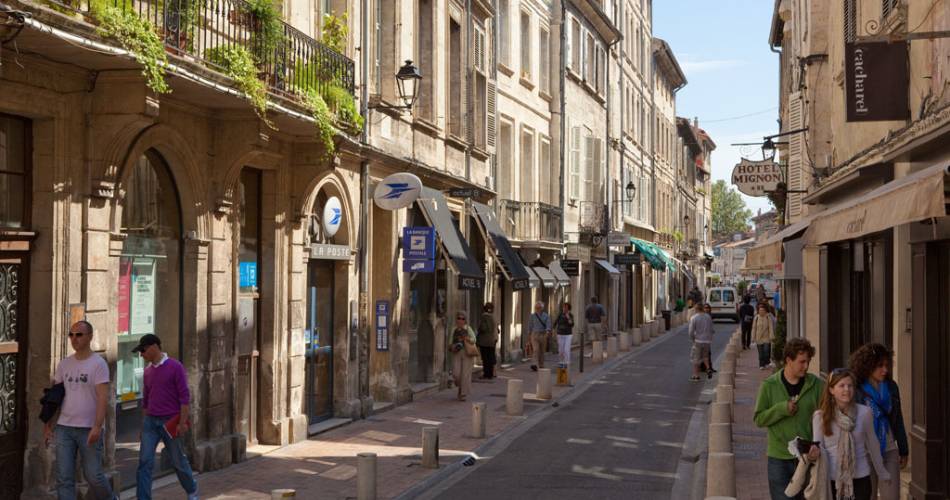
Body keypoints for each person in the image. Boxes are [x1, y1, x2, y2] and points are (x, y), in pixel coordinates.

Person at [45, 321, 116, 500]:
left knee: (93, 476)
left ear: (90, 337)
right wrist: (48, 424)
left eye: (79, 335)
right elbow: (54, 397)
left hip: (88, 428)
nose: (74, 338)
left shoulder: (98, 364)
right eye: (71, 335)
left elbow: (102, 398)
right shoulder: (64, 364)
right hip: (64, 428)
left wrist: (97, 426)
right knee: (64, 478)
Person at [753, 338, 824, 500]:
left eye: (808, 361)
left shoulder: (817, 385)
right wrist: (781, 409)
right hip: (779, 459)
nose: (806, 366)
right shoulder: (769, 385)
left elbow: (826, 417)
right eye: (802, 362)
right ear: (788, 360)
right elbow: (759, 419)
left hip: (808, 458)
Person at [133, 334, 199, 500]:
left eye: (143, 350)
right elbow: (146, 402)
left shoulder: (175, 367)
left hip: (170, 420)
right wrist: (143, 427)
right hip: (151, 423)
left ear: (154, 346)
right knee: (144, 462)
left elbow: (184, 397)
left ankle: (191, 490)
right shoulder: (147, 372)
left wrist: (182, 422)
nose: (141, 354)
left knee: (178, 461)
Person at [813, 369, 890, 500]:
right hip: (832, 480)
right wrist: (812, 453)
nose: (847, 389)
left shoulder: (865, 413)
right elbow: (818, 448)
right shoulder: (820, 416)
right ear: (831, 390)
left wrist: (882, 472)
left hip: (860, 478)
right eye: (841, 385)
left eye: (850, 385)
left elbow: (873, 445)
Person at [848, 343, 908, 500]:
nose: (885, 370)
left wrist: (903, 448)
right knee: (868, 496)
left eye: (886, 365)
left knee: (892, 496)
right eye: (880, 366)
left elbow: (898, 419)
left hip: (888, 449)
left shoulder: (891, 387)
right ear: (867, 366)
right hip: (864, 453)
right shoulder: (855, 388)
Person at [450, 312, 477, 400]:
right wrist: (452, 346)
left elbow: (474, 339)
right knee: (456, 373)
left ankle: (463, 394)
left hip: (467, 352)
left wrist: (467, 338)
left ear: (465, 320)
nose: (460, 320)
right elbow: (450, 342)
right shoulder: (454, 329)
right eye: (459, 318)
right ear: (456, 319)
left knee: (465, 374)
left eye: (462, 318)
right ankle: (460, 387)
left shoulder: (468, 328)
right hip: (457, 353)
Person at [688, 303, 714, 382]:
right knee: (705, 356)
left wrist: (693, 339)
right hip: (707, 341)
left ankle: (696, 376)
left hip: (698, 340)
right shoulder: (708, 317)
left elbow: (691, 331)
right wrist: (710, 338)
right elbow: (711, 329)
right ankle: (708, 369)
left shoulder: (694, 318)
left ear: (696, 309)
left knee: (696, 359)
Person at [476, 303, 498, 379]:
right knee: (490, 357)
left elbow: (483, 328)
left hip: (484, 341)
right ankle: (491, 374)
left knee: (485, 358)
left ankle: (486, 374)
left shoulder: (484, 317)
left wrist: (479, 329)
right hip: (492, 340)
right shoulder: (493, 317)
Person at [528, 301, 551, 372]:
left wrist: (547, 332)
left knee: (542, 351)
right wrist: (529, 335)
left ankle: (541, 364)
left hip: (543, 334)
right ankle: (534, 364)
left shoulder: (546, 316)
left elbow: (548, 324)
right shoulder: (532, 316)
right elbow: (530, 326)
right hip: (534, 334)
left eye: (539, 308)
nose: (537, 309)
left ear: (542, 308)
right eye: (536, 308)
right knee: (536, 349)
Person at [752, 303, 775, 370]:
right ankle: (761, 365)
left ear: (765, 311)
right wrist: (753, 337)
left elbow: (771, 327)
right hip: (758, 338)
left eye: (762, 310)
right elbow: (754, 328)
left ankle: (766, 363)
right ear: (758, 311)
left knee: (766, 351)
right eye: (760, 310)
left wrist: (771, 336)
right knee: (761, 353)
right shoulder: (756, 318)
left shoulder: (768, 317)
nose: (761, 311)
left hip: (766, 337)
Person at [553, 302, 575, 367]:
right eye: (564, 307)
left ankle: (567, 363)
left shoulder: (570, 315)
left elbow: (572, 324)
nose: (564, 308)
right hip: (560, 334)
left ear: (569, 308)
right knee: (560, 350)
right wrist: (553, 329)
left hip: (568, 334)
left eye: (566, 307)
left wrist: (568, 317)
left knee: (566, 349)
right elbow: (555, 322)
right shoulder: (560, 314)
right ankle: (561, 362)